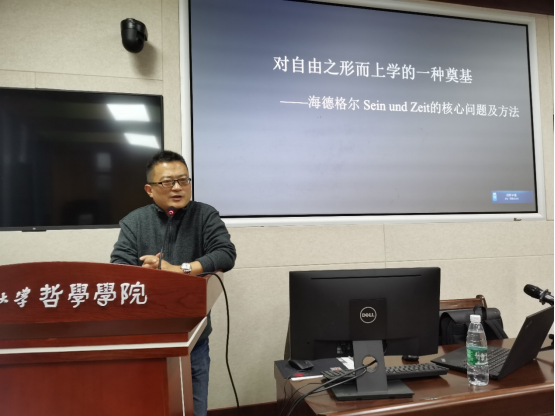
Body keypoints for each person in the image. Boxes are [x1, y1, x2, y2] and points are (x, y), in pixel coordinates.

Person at [110, 150, 236, 416]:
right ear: (149, 189)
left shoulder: (205, 215)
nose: (178, 187)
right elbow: (119, 267)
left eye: (183, 180)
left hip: (194, 338)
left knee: (194, 408)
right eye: (167, 182)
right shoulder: (134, 222)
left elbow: (225, 253)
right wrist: (144, 274)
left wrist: (181, 270)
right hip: (147, 339)